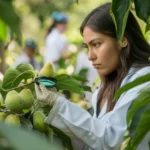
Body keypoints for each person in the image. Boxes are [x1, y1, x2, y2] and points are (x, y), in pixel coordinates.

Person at [35, 3, 150, 150]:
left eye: (96, 44)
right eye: (87, 47)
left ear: (123, 39)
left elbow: (112, 140)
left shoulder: (143, 81)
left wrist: (60, 105)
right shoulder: (104, 88)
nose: (90, 56)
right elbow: (92, 140)